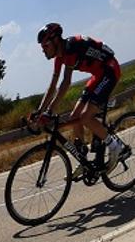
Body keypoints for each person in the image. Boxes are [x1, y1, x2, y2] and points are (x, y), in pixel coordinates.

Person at [32, 23, 129, 172]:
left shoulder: (70, 49)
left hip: (109, 71)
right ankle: (83, 158)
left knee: (85, 117)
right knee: (74, 117)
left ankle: (116, 147)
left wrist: (49, 112)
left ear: (56, 40)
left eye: (45, 45)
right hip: (98, 76)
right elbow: (52, 86)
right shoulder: (59, 57)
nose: (43, 50)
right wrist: (40, 111)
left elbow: (65, 83)